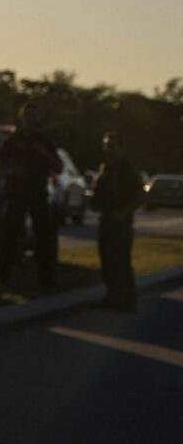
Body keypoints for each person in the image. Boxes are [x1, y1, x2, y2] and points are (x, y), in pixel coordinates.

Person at [0, 102, 62, 287]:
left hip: (37, 191)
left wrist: (44, 155)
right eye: (27, 116)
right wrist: (12, 171)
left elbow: (59, 166)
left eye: (34, 116)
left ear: (38, 118)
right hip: (16, 192)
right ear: (21, 118)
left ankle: (45, 277)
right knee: (9, 234)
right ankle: (4, 274)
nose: (31, 119)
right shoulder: (12, 141)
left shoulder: (44, 141)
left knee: (43, 236)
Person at [90, 131, 145, 312]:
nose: (109, 150)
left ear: (121, 148)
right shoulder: (105, 167)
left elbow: (140, 196)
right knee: (107, 262)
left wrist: (123, 213)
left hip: (121, 223)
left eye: (112, 146)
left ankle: (127, 301)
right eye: (106, 146)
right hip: (106, 220)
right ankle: (112, 297)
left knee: (121, 262)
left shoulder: (126, 168)